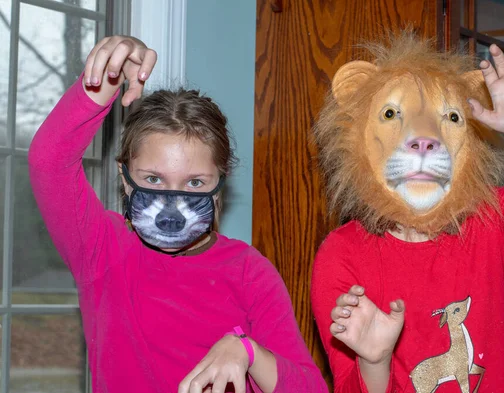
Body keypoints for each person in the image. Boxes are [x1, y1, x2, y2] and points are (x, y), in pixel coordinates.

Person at [29, 35, 328, 393]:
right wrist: (105, 82)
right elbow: (49, 161)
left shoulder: (250, 272)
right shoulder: (101, 248)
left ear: (220, 185)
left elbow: (310, 387)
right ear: (125, 178)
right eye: (153, 178)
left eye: (195, 183)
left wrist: (248, 351)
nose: (172, 208)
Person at [310, 34, 504, 393]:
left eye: (451, 116)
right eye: (390, 114)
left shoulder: (496, 216)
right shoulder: (341, 254)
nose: (424, 139)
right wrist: (374, 362)